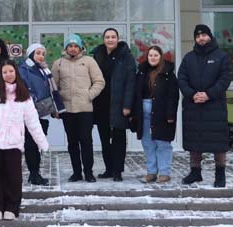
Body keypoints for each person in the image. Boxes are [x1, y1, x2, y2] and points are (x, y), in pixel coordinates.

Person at [0, 60, 49, 220]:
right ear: (1, 74)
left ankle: (12, 207)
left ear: (16, 72)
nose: (8, 75)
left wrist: (42, 142)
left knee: (13, 177)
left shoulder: (23, 95)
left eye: (11, 71)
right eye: (5, 72)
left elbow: (33, 122)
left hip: (13, 143)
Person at [177, 24, 233, 187]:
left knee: (218, 143)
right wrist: (192, 94)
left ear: (210, 36)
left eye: (204, 35)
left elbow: (225, 79)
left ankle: (220, 175)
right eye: (198, 36)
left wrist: (208, 94)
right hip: (193, 106)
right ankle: (195, 172)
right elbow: (182, 78)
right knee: (194, 141)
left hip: (215, 107)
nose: (201, 38)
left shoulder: (222, 56)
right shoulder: (188, 58)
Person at [52, 34, 105, 183]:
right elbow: (53, 87)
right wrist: (56, 107)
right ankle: (76, 172)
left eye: (76, 46)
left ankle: (88, 172)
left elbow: (99, 81)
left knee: (86, 141)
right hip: (67, 110)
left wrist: (89, 95)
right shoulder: (58, 63)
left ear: (81, 47)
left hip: (85, 109)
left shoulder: (89, 61)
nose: (73, 49)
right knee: (72, 142)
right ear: (66, 48)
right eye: (70, 46)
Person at [91, 28, 136, 181]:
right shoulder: (97, 55)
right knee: (104, 139)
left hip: (119, 104)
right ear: (103, 39)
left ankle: (117, 171)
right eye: (107, 37)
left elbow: (130, 83)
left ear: (117, 39)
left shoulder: (126, 56)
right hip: (101, 104)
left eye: (113, 37)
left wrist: (127, 105)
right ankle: (109, 169)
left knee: (118, 138)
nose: (110, 39)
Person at [131, 46, 179, 183]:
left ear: (161, 57)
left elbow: (173, 96)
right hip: (144, 114)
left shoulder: (168, 74)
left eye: (155, 55)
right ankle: (151, 172)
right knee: (148, 143)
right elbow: (136, 94)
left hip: (161, 113)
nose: (152, 58)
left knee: (162, 143)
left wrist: (170, 115)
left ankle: (164, 172)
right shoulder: (141, 73)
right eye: (150, 55)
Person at [18, 43, 57, 186]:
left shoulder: (44, 70)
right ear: (30, 54)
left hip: (42, 112)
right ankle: (34, 174)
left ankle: (35, 172)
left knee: (38, 143)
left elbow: (50, 89)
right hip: (30, 112)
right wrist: (33, 100)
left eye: (43, 54)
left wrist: (53, 107)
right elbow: (23, 89)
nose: (41, 56)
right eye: (38, 53)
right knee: (31, 144)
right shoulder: (24, 69)